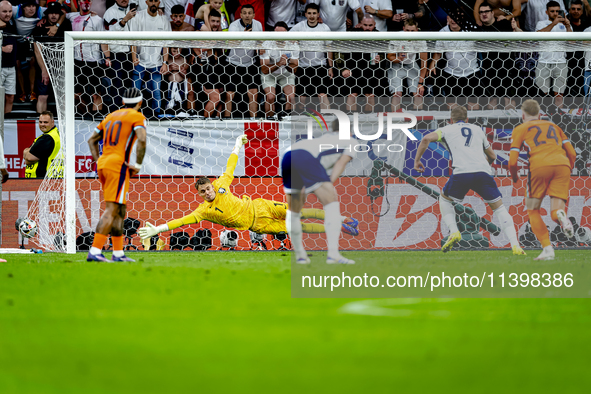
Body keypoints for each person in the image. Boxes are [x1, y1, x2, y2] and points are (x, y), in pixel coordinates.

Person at [138, 135, 359, 241]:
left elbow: (230, 166)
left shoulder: (220, 184)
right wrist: (158, 229)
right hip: (258, 224)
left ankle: (341, 219)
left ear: (211, 186)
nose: (207, 193)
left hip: (261, 206)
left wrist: (236, 145)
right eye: (202, 192)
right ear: (200, 195)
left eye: (207, 189)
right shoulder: (203, 211)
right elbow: (181, 220)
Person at [413, 106, 525, 255]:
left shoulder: (446, 129)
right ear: (467, 119)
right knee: (499, 209)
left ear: (450, 119)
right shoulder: (478, 129)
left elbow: (426, 138)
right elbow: (492, 156)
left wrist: (417, 161)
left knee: (445, 200)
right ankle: (515, 245)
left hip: (462, 173)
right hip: (483, 173)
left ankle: (454, 232)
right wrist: (483, 167)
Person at [282, 119, 357, 265]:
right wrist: (329, 185)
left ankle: (300, 257)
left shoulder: (323, 139)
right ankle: (334, 255)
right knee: (332, 202)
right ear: (350, 131)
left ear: (333, 129)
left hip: (288, 154)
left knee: (294, 211)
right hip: (305, 157)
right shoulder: (351, 141)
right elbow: (341, 163)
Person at [509, 99, 577, 261]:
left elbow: (512, 160)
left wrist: (514, 176)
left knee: (533, 210)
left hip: (539, 165)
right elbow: (572, 153)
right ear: (540, 115)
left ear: (523, 115)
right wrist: (568, 167)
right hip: (562, 165)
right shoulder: (555, 127)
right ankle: (561, 216)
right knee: (556, 211)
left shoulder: (521, 128)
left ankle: (547, 249)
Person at [86, 88, 147, 262]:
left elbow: (92, 140)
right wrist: (138, 165)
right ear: (140, 103)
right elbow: (142, 139)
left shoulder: (110, 116)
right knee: (112, 209)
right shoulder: (137, 117)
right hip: (117, 166)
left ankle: (118, 253)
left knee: (120, 210)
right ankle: (95, 250)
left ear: (122, 102)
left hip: (104, 163)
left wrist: (99, 161)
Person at [129, 0, 171, 118]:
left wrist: (165, 62)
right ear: (146, 2)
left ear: (159, 3)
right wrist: (134, 57)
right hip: (140, 60)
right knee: (135, 91)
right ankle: (132, 115)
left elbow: (166, 44)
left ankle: (156, 116)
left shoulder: (164, 19)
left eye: (156, 1)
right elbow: (133, 39)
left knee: (157, 92)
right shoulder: (138, 16)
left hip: (156, 62)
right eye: (151, 1)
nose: (153, 3)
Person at [66, 0, 109, 115]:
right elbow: (59, 15)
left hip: (94, 61)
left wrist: (107, 57)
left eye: (89, 0)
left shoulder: (97, 20)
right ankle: (86, 115)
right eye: (83, 0)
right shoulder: (72, 17)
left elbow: (103, 40)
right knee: (77, 95)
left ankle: (96, 119)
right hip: (77, 61)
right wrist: (44, 19)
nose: (86, 3)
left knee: (96, 94)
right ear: (79, 2)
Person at [431, 15, 481, 110]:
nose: (454, 20)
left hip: (472, 72)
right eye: (451, 17)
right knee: (452, 105)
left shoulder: (471, 29)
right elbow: (438, 53)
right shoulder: (443, 32)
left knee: (473, 104)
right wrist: (432, 64)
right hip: (451, 73)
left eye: (456, 17)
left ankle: (473, 124)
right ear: (447, 19)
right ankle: (454, 125)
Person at [291, 3, 333, 110]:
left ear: (318, 14)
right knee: (301, 98)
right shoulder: (299, 27)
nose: (312, 16)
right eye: (309, 13)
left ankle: (327, 119)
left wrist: (331, 67)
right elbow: (288, 37)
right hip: (303, 67)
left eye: (314, 13)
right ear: (305, 14)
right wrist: (294, 40)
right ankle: (301, 120)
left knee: (322, 95)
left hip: (320, 66)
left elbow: (329, 49)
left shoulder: (324, 28)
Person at [31, 2, 71, 114]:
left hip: (62, 66)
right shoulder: (39, 27)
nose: (53, 16)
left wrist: (57, 26)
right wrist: (44, 70)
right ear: (46, 14)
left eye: (56, 13)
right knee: (42, 96)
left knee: (64, 97)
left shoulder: (66, 24)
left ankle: (65, 126)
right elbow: (37, 51)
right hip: (43, 64)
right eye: (51, 13)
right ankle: (41, 125)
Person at [225, 4, 262, 119]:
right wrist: (243, 36)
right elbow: (230, 44)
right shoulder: (234, 26)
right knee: (230, 94)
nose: (247, 15)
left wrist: (261, 47)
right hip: (233, 63)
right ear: (240, 14)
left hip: (250, 63)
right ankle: (226, 121)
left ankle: (254, 121)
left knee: (253, 93)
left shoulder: (258, 25)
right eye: (244, 13)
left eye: (249, 13)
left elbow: (260, 42)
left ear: (254, 15)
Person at [103, 0, 138, 110]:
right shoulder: (109, 13)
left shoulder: (133, 10)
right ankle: (115, 112)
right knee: (117, 84)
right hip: (116, 54)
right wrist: (124, 21)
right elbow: (109, 34)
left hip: (129, 53)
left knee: (128, 84)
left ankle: (127, 111)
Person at [387, 18, 428, 111]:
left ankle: (418, 120)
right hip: (397, 65)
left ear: (417, 30)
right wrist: (399, 59)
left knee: (418, 93)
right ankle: (395, 119)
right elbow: (389, 56)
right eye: (407, 30)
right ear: (403, 29)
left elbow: (424, 62)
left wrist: (420, 83)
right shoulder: (397, 37)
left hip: (412, 64)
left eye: (412, 31)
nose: (409, 33)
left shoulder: (421, 39)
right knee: (397, 94)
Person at [535, 1, 571, 108]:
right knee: (542, 95)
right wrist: (553, 23)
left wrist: (568, 26)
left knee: (559, 95)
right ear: (546, 12)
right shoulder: (541, 23)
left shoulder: (565, 24)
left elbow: (573, 42)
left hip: (561, 62)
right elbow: (538, 36)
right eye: (552, 11)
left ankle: (558, 120)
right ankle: (542, 122)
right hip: (543, 62)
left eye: (557, 11)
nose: (555, 13)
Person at [260, 21, 298, 120]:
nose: (280, 37)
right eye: (277, 34)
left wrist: (287, 64)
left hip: (286, 74)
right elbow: (264, 69)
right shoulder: (266, 44)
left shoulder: (293, 44)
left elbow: (294, 69)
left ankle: (286, 120)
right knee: (271, 97)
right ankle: (270, 121)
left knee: (291, 98)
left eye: (283, 34)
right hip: (270, 74)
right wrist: (278, 64)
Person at [23, 111, 63, 179]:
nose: (42, 124)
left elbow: (28, 159)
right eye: (40, 122)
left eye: (45, 122)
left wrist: (26, 151)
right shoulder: (56, 134)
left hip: (43, 179)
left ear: (52, 122)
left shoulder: (47, 138)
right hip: (53, 177)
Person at [0, 1, 17, 114]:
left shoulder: (11, 22)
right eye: (4, 11)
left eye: (10, 11)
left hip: (11, 66)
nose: (8, 14)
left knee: (10, 97)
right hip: (0, 67)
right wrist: (2, 49)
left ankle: (3, 125)